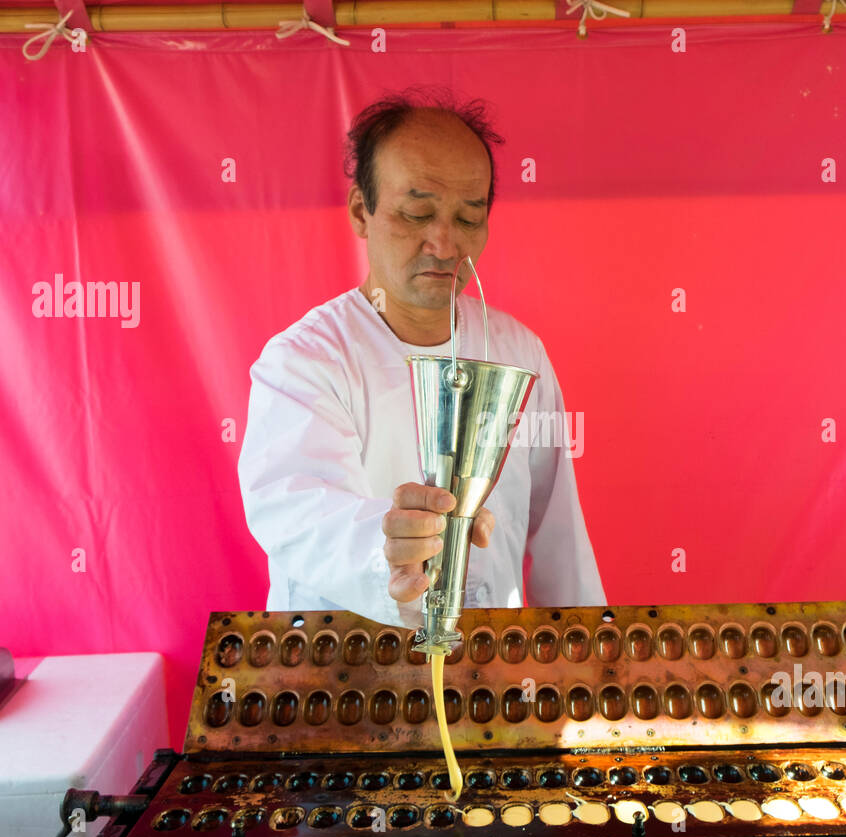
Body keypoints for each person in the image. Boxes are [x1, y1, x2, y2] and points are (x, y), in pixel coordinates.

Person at [237, 88, 605, 630]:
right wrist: (388, 542)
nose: (444, 242)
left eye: (469, 217)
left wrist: (586, 652)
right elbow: (297, 512)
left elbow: (559, 534)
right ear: (362, 211)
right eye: (417, 214)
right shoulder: (305, 360)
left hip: (491, 665)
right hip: (342, 671)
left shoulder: (517, 351)